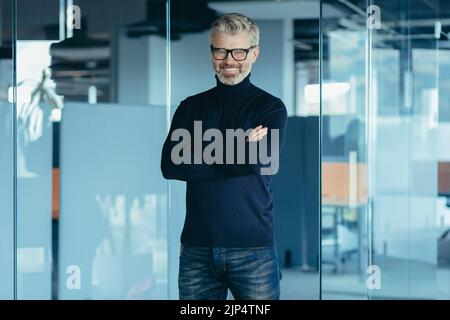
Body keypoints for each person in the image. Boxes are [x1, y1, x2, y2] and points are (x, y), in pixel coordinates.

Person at [160, 13, 288, 300]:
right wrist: (239, 145)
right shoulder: (190, 107)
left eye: (239, 51)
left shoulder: (269, 108)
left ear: (254, 53)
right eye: (220, 50)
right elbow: (170, 165)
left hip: (253, 248)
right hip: (197, 248)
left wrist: (198, 151)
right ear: (211, 52)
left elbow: (259, 161)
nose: (229, 60)